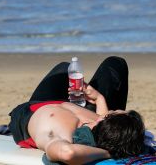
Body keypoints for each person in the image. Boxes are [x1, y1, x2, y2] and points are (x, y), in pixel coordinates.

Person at [8, 56, 146, 164]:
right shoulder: (97, 122)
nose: (116, 109)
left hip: (29, 111)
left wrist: (109, 153)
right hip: (62, 105)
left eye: (115, 111)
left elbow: (67, 153)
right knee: (113, 63)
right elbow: (101, 118)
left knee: (63, 67)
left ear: (107, 118)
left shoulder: (59, 136)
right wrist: (98, 98)